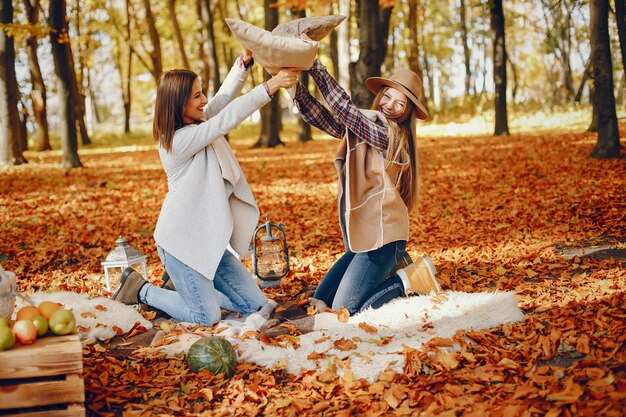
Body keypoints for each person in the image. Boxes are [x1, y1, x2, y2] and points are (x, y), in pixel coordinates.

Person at [112, 50, 299, 326]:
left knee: (257, 305)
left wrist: (243, 66)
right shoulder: (177, 142)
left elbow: (222, 102)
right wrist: (270, 86)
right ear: (178, 104)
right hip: (181, 243)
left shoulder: (198, 124)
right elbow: (226, 118)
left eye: (202, 93)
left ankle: (188, 289)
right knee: (205, 316)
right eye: (197, 96)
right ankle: (140, 288)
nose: (204, 101)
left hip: (210, 244)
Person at [291, 59, 441, 315]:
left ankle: (408, 279)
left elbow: (345, 111)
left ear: (407, 112)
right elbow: (324, 119)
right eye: (388, 96)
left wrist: (314, 66)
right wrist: (293, 87)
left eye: (400, 103)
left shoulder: (389, 136)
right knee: (320, 301)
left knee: (342, 311)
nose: (390, 105)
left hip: (384, 242)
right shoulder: (366, 127)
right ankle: (389, 269)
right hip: (362, 241)